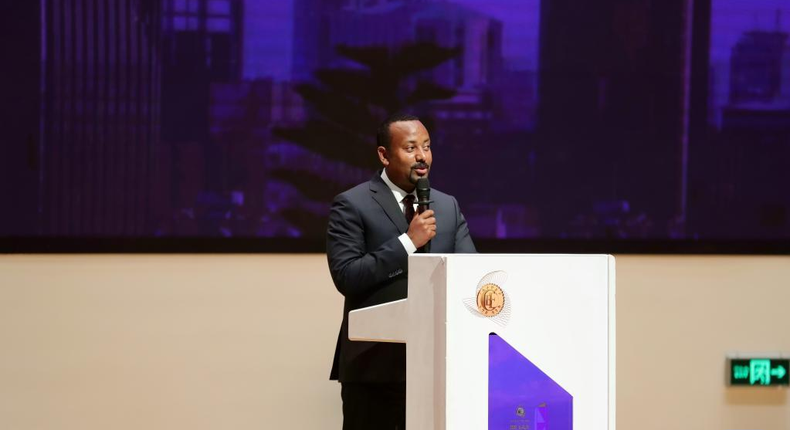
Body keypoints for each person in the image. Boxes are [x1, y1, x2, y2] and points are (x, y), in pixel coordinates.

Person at [326, 113, 476, 430]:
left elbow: (470, 274)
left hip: (438, 365)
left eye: (427, 146)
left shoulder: (447, 206)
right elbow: (347, 276)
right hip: (373, 368)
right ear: (384, 154)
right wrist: (408, 242)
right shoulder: (352, 204)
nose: (422, 157)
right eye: (411, 148)